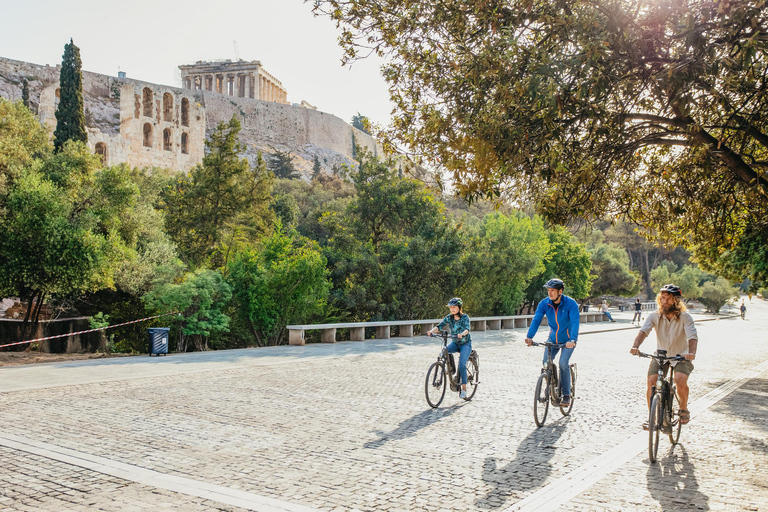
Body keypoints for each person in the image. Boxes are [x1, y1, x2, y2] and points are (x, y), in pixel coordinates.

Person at [630, 284, 698, 429]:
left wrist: (691, 353)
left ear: (676, 300)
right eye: (662, 298)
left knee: (680, 381)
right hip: (661, 356)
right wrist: (636, 346)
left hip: (681, 356)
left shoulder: (685, 317)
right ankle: (652, 419)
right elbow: (643, 332)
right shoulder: (654, 316)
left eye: (668, 298)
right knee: (652, 382)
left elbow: (692, 336)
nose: (664, 301)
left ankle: (684, 408)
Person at [525, 278, 580, 407]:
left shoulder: (570, 304)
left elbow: (575, 322)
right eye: (548, 291)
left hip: (568, 340)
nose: (550, 294)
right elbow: (537, 319)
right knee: (545, 363)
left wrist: (573, 340)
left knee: (563, 363)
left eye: (553, 291)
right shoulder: (544, 304)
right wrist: (529, 337)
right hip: (553, 339)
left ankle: (566, 395)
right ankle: (550, 385)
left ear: (560, 291)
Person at [428, 297, 472, 399]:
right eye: (451, 307)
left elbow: (467, 329)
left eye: (454, 307)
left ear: (459, 307)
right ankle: (451, 369)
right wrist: (432, 331)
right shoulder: (449, 317)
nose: (452, 309)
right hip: (455, 343)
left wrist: (462, 334)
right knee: (445, 351)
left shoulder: (465, 317)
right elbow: (440, 326)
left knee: (462, 365)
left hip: (465, 344)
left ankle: (464, 389)